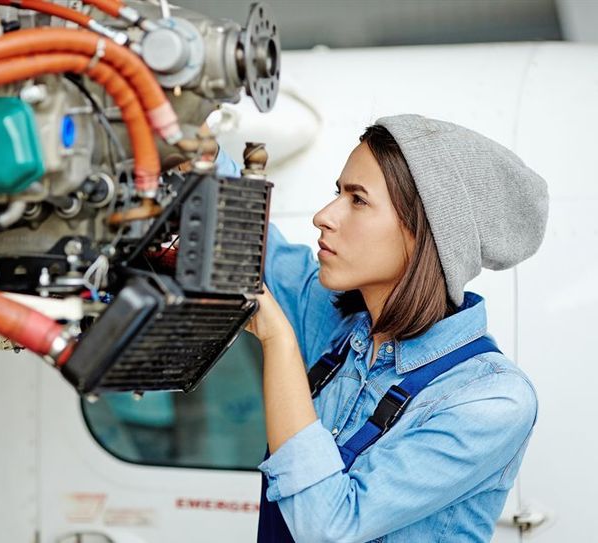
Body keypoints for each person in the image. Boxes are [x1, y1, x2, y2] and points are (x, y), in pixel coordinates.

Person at [215, 114, 549, 542]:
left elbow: (328, 528)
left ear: (424, 233)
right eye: (338, 192)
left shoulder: (490, 400)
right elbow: (243, 236)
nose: (323, 216)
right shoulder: (338, 325)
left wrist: (278, 341)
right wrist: (181, 133)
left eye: (358, 200)